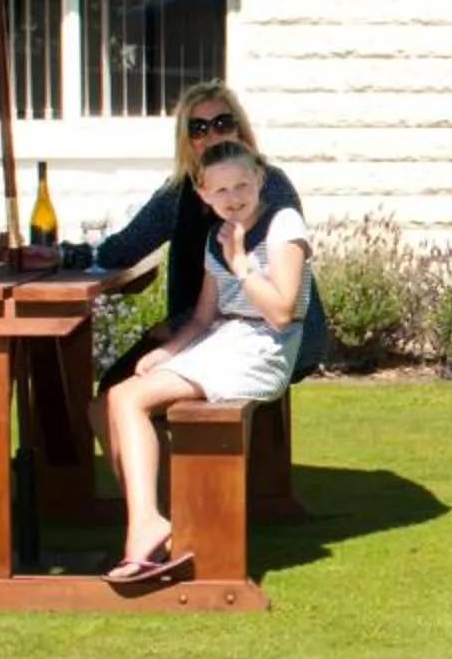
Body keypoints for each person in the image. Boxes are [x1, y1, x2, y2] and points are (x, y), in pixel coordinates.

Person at [102, 138, 310, 583]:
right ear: (203, 195)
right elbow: (202, 317)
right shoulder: (217, 237)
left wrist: (240, 264)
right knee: (120, 396)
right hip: (224, 339)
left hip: (264, 349)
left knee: (129, 401)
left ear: (260, 179)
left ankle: (150, 527)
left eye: (242, 185)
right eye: (221, 192)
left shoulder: (282, 223)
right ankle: (150, 521)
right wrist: (166, 351)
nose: (234, 198)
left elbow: (281, 311)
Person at [78, 80, 318, 444]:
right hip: (200, 326)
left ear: (240, 128)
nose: (213, 135)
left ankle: (167, 495)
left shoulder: (267, 185)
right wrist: (60, 254)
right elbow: (122, 249)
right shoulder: (180, 193)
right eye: (199, 128)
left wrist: (182, 326)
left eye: (223, 123)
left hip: (260, 336)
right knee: (107, 395)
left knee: (125, 396)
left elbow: (274, 285)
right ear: (186, 141)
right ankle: (156, 493)